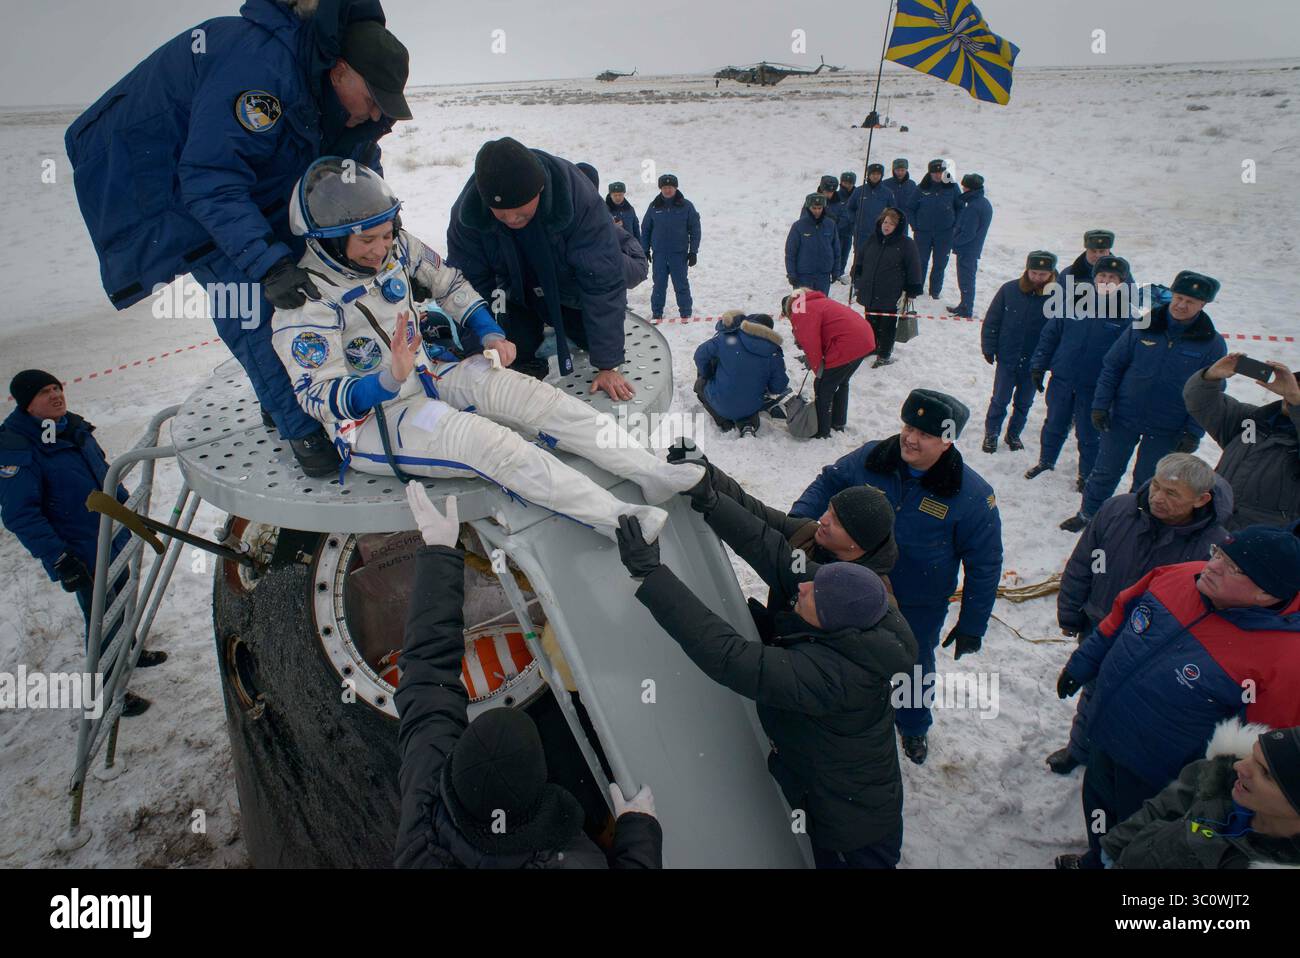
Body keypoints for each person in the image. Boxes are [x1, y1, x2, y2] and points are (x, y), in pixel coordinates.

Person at [270, 158, 703, 543]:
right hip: (372, 419)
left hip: (428, 375)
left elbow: (451, 284)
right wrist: (387, 379)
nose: (381, 249)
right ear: (328, 239)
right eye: (367, 242)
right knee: (491, 444)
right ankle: (618, 520)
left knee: (534, 396)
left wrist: (490, 333)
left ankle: (650, 473)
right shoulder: (307, 303)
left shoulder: (397, 248)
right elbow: (317, 397)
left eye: (386, 235)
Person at [65, 0, 412, 478]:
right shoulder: (261, 70)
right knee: (254, 301)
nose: (376, 113)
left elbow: (354, 169)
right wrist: (268, 264)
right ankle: (304, 432)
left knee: (317, 282)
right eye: (373, 98)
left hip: (257, 182)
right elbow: (211, 179)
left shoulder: (343, 101)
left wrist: (379, 231)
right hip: (181, 191)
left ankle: (302, 396)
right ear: (340, 71)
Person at [615, 491, 917, 869]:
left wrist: (652, 575)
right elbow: (774, 552)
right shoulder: (855, 606)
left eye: (810, 594)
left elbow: (730, 657)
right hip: (846, 800)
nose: (802, 588)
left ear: (829, 622)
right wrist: (709, 497)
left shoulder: (834, 677)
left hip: (853, 831)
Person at [394, 484, 662, 869]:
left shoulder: (424, 815)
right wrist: (640, 829)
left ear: (454, 771)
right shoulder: (573, 861)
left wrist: (439, 555)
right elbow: (424, 675)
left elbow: (425, 677)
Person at [1056, 525, 1300, 867]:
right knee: (1098, 810)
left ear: (1266, 594)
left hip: (1158, 777)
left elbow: (1265, 746)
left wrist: (1213, 793)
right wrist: (1083, 663)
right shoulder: (1178, 577)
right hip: (1106, 732)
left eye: (1234, 568)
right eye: (1219, 554)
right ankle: (1096, 859)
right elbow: (1120, 617)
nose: (1212, 565)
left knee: (1142, 837)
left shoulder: (1287, 660)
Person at [790, 389, 1003, 764]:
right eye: (908, 426)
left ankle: (913, 724)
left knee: (913, 665)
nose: (910, 438)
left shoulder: (971, 496)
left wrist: (973, 624)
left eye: (925, 433)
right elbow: (828, 481)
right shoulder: (874, 458)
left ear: (947, 440)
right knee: (837, 648)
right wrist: (799, 522)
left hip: (914, 604)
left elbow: (985, 564)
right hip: (850, 586)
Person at [1048, 454, 1232, 775]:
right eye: (1157, 487)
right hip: (1100, 624)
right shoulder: (1117, 510)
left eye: (1173, 494)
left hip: (1159, 646)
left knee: (1140, 706)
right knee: (1093, 693)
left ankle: (1117, 765)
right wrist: (1070, 611)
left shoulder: (1215, 547)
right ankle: (1080, 749)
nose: (1158, 498)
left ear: (1201, 499)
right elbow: (1083, 563)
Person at [1, 373, 162, 716]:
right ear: (25, 403)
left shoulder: (71, 428)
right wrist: (60, 558)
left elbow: (103, 473)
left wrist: (128, 511)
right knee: (101, 616)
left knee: (123, 595)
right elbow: (19, 514)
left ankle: (127, 652)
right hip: (79, 549)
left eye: (58, 388)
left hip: (109, 533)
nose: (56, 395)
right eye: (45, 392)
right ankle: (105, 690)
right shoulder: (17, 447)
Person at [446, 138, 636, 401]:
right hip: (514, 290)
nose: (512, 220)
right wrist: (480, 346)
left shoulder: (578, 199)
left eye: (521, 214)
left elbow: (602, 280)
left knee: (591, 338)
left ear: (540, 190)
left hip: (568, 288)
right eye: (501, 215)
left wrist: (607, 364)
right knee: (510, 350)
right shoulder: (468, 214)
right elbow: (468, 284)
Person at [1064, 270, 1228, 532]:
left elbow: (1210, 392)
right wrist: (1101, 405)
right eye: (1179, 297)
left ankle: (1136, 523)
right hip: (1123, 418)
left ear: (1203, 305)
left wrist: (1193, 431)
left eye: (1191, 301)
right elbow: (1113, 366)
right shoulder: (1144, 325)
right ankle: (1088, 514)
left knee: (1150, 481)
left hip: (1168, 427)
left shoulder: (1211, 344)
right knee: (1105, 471)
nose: (1182, 305)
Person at [667, 438, 899, 616]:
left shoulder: (864, 593)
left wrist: (711, 502)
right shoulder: (810, 535)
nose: (824, 519)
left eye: (837, 522)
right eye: (829, 509)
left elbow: (768, 550)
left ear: (857, 543)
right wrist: (709, 473)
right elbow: (754, 511)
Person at [1096, 722, 1300, 869]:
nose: (1240, 765)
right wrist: (1112, 850)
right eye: (1253, 756)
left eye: (1265, 773)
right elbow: (1164, 807)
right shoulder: (1221, 778)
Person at [1025, 256, 1134, 487]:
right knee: (1054, 424)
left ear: (1121, 282)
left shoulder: (1127, 315)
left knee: (1088, 435)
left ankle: (1086, 475)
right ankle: (1046, 461)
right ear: (1094, 278)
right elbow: (1050, 336)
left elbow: (1128, 359)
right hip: (1062, 379)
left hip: (1094, 387)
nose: (1106, 281)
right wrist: (1038, 365)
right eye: (1102, 276)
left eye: (1112, 278)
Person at [1184, 354, 1300, 530]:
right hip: (1212, 519)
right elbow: (1200, 402)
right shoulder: (1252, 419)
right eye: (1295, 385)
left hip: (1263, 538)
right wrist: (1211, 376)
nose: (1290, 394)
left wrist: (1296, 402)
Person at [979, 251, 1058, 454]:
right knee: (1000, 399)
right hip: (1008, 358)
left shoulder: (1058, 297)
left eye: (1043, 274)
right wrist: (989, 347)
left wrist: (1049, 360)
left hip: (1035, 364)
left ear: (1051, 274)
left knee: (1024, 402)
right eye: (1034, 273)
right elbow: (992, 321)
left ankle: (1013, 434)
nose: (1037, 278)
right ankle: (992, 433)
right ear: (1027, 270)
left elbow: (1061, 333)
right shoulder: (1009, 290)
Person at [780, 289, 874, 438]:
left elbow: (812, 344)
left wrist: (818, 370)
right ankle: (838, 421)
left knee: (823, 386)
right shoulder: (816, 302)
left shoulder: (800, 311)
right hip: (864, 339)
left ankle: (822, 431)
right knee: (842, 381)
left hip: (847, 344)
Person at [692, 312, 788, 436]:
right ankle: (746, 422)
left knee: (700, 385)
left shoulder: (726, 338)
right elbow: (778, 387)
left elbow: (700, 355)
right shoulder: (773, 351)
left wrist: (708, 374)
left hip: (721, 400)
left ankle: (725, 423)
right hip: (752, 403)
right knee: (747, 400)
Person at [852, 207, 922, 368]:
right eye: (885, 222)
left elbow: (914, 267)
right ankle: (872, 346)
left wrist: (912, 289)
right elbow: (860, 259)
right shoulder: (872, 239)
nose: (887, 226)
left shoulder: (906, 244)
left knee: (887, 325)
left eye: (891, 223)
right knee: (870, 321)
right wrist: (857, 275)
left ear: (898, 226)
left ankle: (884, 353)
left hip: (891, 293)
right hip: (870, 290)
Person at [641, 173, 702, 321]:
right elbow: (646, 229)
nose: (667, 190)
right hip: (659, 254)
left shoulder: (686, 206)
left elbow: (695, 229)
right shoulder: (654, 206)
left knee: (681, 284)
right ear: (661, 189)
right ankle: (657, 313)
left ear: (675, 188)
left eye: (670, 187)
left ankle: (686, 313)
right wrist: (645, 249)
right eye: (664, 187)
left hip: (678, 254)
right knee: (659, 285)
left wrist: (693, 251)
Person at [576, 165, 647, 290]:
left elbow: (635, 229)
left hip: (625, 249)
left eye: (620, 195)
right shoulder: (602, 209)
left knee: (621, 278)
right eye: (615, 195)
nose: (618, 197)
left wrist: (639, 248)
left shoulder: (629, 210)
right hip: (611, 250)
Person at [908, 159, 962, 301]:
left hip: (945, 233)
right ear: (930, 173)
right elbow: (910, 208)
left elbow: (960, 207)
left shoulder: (953, 188)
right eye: (935, 173)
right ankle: (917, 288)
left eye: (941, 172)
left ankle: (935, 291)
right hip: (923, 233)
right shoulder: (921, 188)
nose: (938, 175)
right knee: (920, 261)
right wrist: (915, 226)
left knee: (940, 263)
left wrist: (954, 225)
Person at [947, 173, 992, 318]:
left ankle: (966, 308)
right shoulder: (983, 203)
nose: (963, 189)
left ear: (970, 189)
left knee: (966, 279)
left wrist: (953, 242)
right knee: (967, 278)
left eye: (965, 187)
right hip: (972, 249)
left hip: (967, 249)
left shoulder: (973, 207)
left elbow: (968, 233)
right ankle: (964, 304)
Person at [785, 194, 840, 295]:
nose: (817, 211)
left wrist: (836, 270)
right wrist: (791, 273)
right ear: (808, 208)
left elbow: (836, 250)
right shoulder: (798, 226)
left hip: (823, 276)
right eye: (814, 208)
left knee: (820, 307)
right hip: (803, 276)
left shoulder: (830, 225)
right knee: (802, 308)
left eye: (820, 208)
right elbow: (790, 252)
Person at [817, 175, 849, 283]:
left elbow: (845, 218)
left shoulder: (839, 202)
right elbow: (804, 218)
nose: (828, 194)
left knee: (835, 255)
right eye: (826, 191)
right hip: (816, 237)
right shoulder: (814, 200)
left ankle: (835, 273)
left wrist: (834, 224)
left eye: (831, 192)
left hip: (834, 236)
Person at [833, 171, 859, 281]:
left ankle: (840, 273)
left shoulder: (857, 195)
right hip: (837, 231)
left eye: (850, 183)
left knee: (845, 252)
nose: (847, 185)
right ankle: (833, 272)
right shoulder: (836, 195)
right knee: (835, 252)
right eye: (845, 182)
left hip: (849, 231)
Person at [886, 158, 918, 234]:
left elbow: (915, 204)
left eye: (902, 170)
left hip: (904, 221)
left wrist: (914, 223)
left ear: (906, 170)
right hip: (888, 221)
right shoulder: (886, 184)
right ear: (893, 170)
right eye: (897, 170)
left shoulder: (912, 185)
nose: (900, 173)